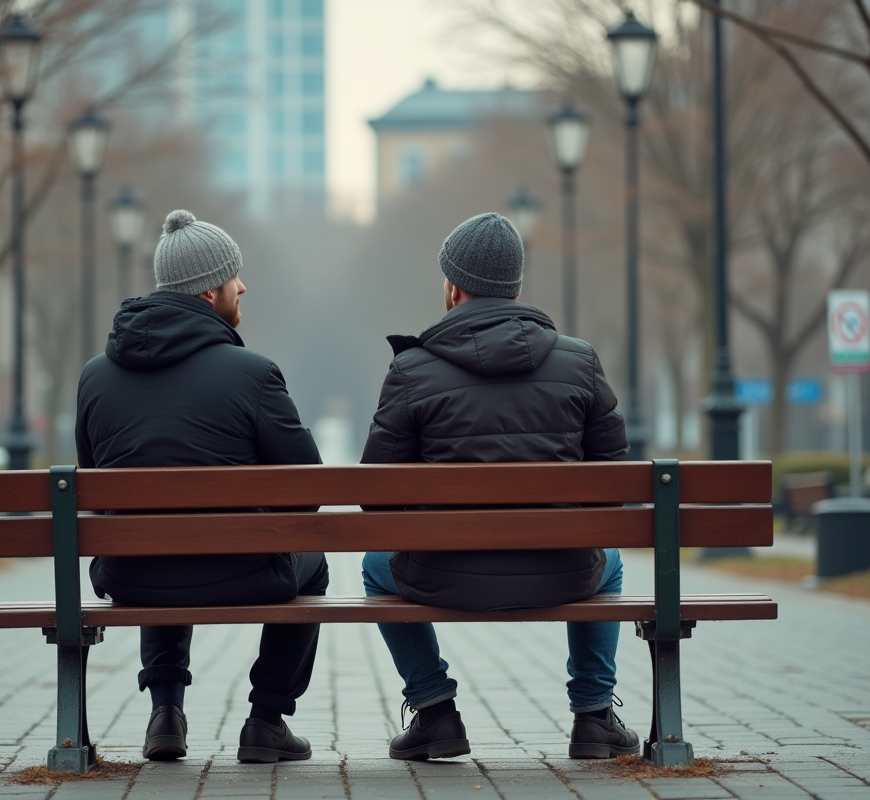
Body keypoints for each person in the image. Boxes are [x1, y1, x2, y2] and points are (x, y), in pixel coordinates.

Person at [360, 212, 639, 761]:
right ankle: (593, 716)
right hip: (564, 572)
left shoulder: (412, 370)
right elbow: (613, 488)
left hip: (443, 574)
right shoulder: (579, 360)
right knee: (611, 563)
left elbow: (377, 494)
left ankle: (435, 711)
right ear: (514, 289)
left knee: (373, 565)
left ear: (454, 287)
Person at [76, 209, 327, 765]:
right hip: (241, 571)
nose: (245, 286)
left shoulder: (95, 375)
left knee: (156, 540)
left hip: (130, 574)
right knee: (316, 559)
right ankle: (266, 720)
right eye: (236, 276)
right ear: (212, 293)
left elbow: (91, 482)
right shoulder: (253, 373)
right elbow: (308, 486)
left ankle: (165, 713)